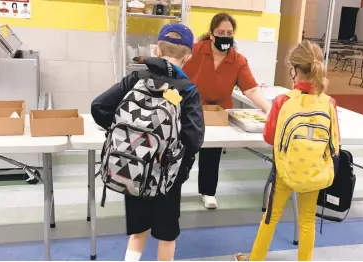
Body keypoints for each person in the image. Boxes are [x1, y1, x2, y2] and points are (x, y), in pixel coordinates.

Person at [91, 23, 204, 261]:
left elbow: (98, 107)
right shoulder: (187, 89)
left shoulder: (137, 77)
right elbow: (194, 140)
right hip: (167, 175)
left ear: (157, 51)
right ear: (188, 56)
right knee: (166, 235)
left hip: (133, 166)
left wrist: (125, 135)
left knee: (138, 231)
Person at [235, 40, 340, 261]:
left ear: (293, 70)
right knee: (307, 219)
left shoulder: (283, 101)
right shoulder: (329, 102)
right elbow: (335, 142)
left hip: (285, 171)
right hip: (314, 171)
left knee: (271, 217)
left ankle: (255, 259)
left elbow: (269, 137)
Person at [183, 13, 271, 209]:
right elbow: (176, 68)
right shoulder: (196, 51)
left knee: (212, 152)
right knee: (183, 149)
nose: (225, 36)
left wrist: (269, 109)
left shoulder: (237, 60)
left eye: (229, 33)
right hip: (190, 108)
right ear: (212, 35)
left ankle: (208, 192)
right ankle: (171, 189)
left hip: (218, 112)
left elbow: (251, 89)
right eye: (220, 32)